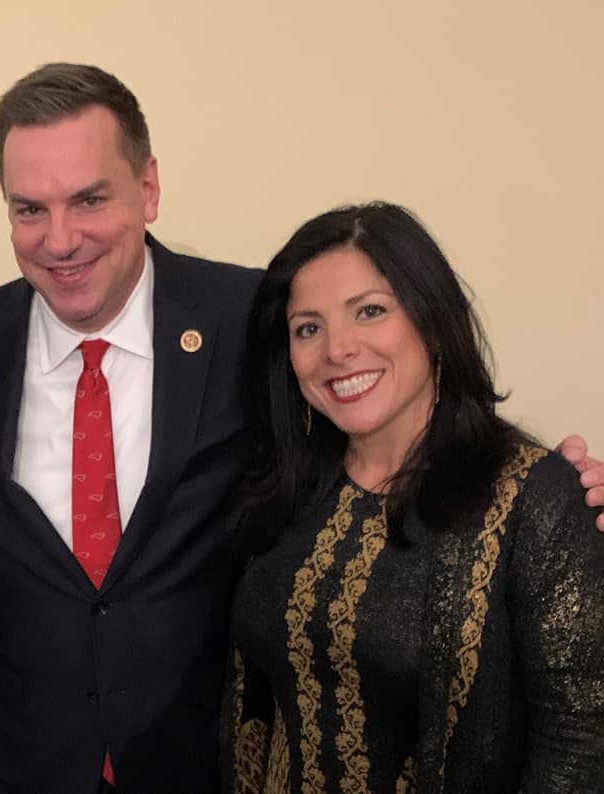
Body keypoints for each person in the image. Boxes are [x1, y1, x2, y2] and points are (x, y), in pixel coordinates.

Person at [0, 63, 604, 793]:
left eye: (89, 199)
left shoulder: (251, 320)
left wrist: (545, 494)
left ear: (147, 188)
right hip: (32, 761)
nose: (60, 240)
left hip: (208, 760)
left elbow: (385, 406)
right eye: (29, 209)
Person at [224, 202, 604, 792]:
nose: (338, 349)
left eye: (370, 311)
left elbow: (579, 749)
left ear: (432, 321)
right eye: (308, 327)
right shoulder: (286, 492)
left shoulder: (536, 500)